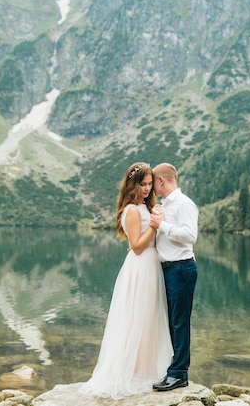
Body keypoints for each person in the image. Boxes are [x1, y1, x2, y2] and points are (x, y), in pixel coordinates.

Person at [79, 162, 173, 400]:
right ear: (133, 184)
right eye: (143, 184)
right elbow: (137, 247)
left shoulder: (148, 206)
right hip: (141, 268)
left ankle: (145, 369)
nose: (147, 189)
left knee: (149, 318)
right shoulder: (131, 210)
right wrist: (154, 224)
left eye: (150, 184)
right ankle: (131, 371)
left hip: (153, 267)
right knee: (137, 317)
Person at [149, 162, 198, 392]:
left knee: (179, 322)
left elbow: (190, 236)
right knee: (171, 321)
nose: (150, 189)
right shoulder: (165, 205)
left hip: (180, 269)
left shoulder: (184, 203)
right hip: (169, 269)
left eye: (153, 183)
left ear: (161, 180)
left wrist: (163, 225)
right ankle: (175, 370)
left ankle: (179, 374)